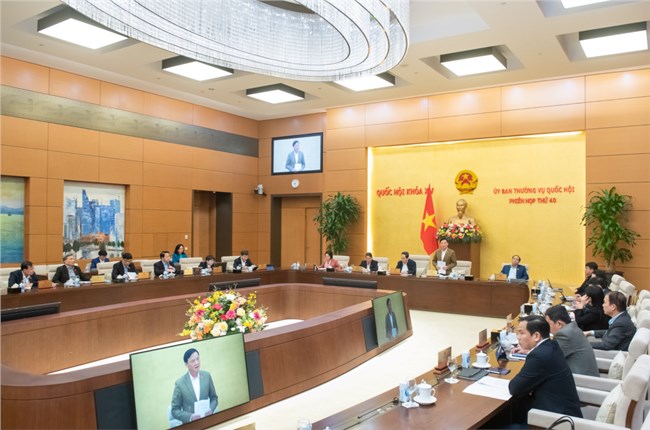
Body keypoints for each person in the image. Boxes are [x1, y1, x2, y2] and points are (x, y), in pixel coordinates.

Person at [508, 315, 582, 424]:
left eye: (521, 333)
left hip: (556, 421)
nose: (518, 337)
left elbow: (514, 388)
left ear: (536, 336)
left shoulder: (538, 356)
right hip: (565, 413)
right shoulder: (552, 345)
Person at [544, 305, 599, 377]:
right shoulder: (572, 328)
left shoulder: (564, 335)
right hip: (585, 376)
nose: (546, 328)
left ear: (559, 324)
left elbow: (549, 359)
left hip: (581, 380)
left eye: (549, 324)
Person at [171, 348, 218, 424]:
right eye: (193, 361)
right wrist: (190, 417)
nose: (197, 363)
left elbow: (214, 398)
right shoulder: (180, 384)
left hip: (207, 421)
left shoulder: (207, 376)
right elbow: (174, 410)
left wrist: (211, 409)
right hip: (191, 425)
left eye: (198, 359)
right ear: (186, 365)